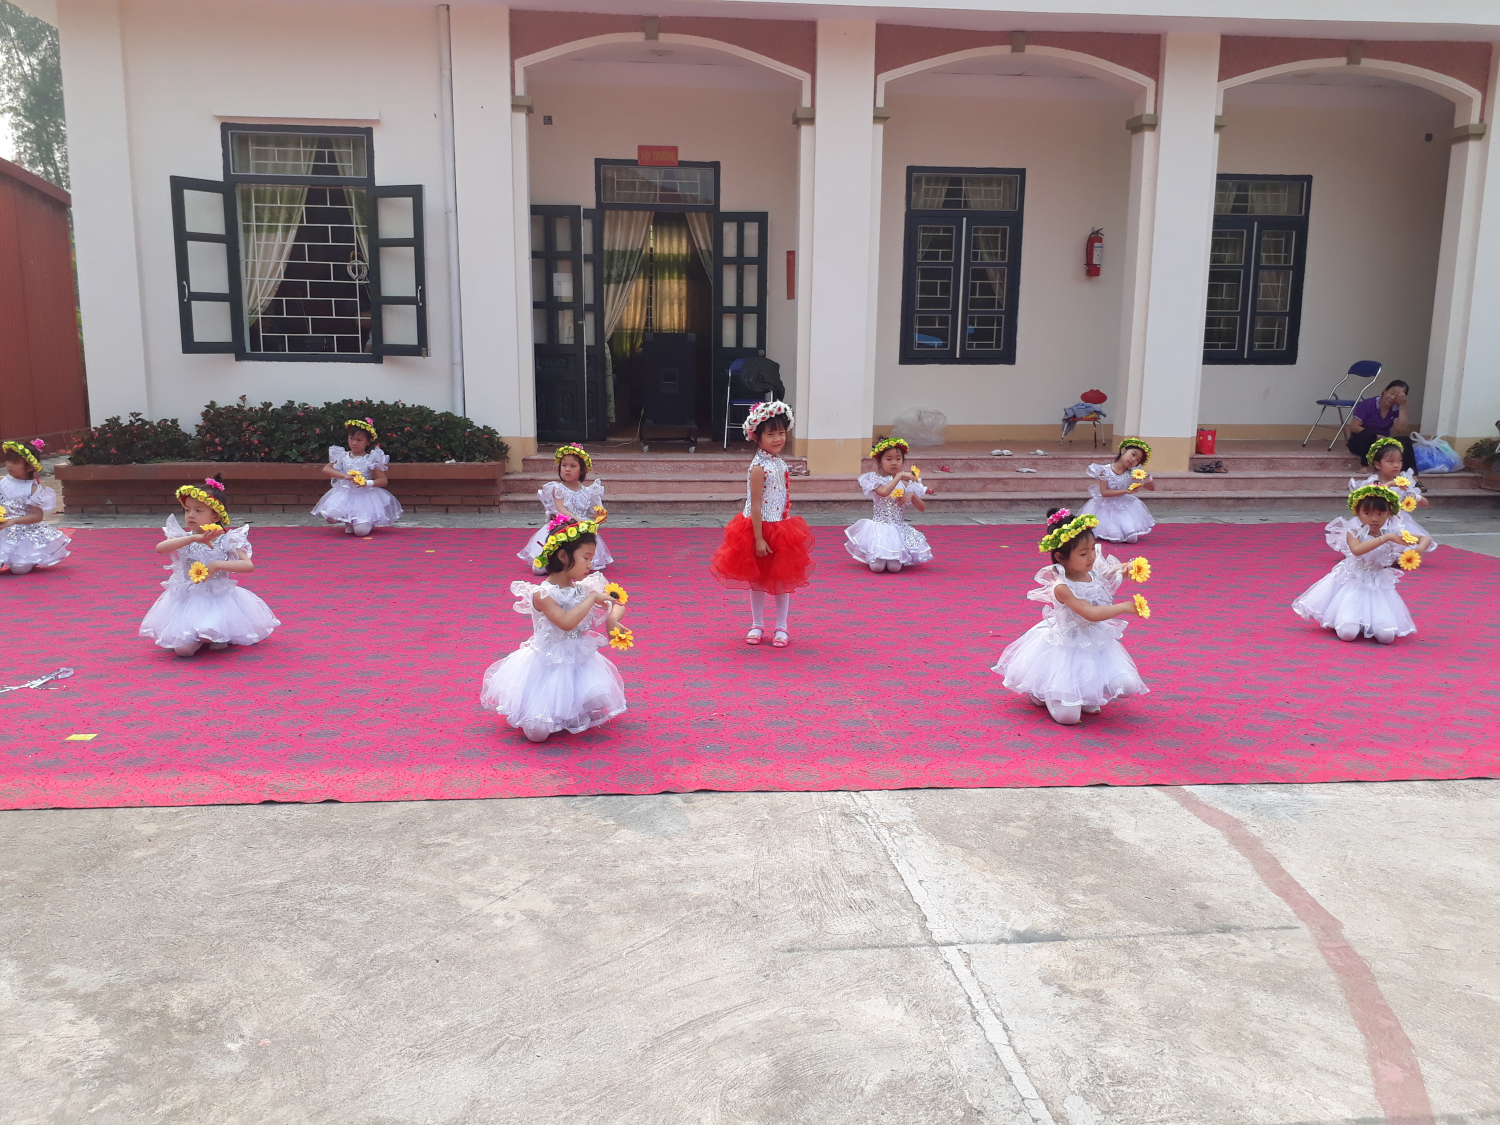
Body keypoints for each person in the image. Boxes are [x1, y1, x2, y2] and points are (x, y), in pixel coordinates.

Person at [993, 508, 1150, 725]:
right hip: (1065, 644)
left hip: (1094, 639)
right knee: (1068, 718)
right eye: (1083, 553)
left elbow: (1113, 569)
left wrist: (1130, 567)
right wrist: (1124, 607)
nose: (1091, 556)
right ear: (1061, 557)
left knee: (1127, 686)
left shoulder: (1093, 567)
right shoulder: (1062, 587)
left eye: (1092, 549)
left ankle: (1082, 695)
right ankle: (1043, 693)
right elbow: (1090, 613)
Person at [481, 514, 628, 742]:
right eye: (586, 558)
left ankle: (573, 708)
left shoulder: (584, 587)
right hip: (547, 663)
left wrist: (612, 619)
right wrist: (591, 599)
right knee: (537, 734)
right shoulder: (542, 594)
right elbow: (566, 622)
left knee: (582, 701)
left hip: (579, 660)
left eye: (591, 558)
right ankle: (544, 710)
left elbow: (617, 602)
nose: (590, 565)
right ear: (563, 556)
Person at [709, 401, 815, 648]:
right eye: (770, 434)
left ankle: (782, 626)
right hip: (758, 529)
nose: (778, 439)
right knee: (757, 581)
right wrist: (758, 538)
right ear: (757, 437)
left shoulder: (779, 463)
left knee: (781, 580)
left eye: (781, 432)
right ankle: (757, 624)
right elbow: (755, 505)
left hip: (781, 529)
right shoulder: (758, 468)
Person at [139, 479, 280, 657]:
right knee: (183, 651)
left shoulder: (226, 539)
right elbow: (160, 548)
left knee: (205, 634)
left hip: (218, 598)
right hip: (188, 599)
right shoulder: (185, 538)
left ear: (215, 517)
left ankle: (217, 632)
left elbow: (248, 565)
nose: (191, 515)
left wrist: (217, 564)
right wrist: (193, 538)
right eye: (187, 510)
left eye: (198, 510)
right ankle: (207, 635)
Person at [1291, 484, 1429, 644]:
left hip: (1377, 584)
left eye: (1381, 513)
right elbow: (1357, 550)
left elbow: (1426, 539)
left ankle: (1367, 621)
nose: (1374, 518)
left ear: (1389, 513)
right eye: (1368, 513)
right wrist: (1387, 538)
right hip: (1353, 581)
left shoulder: (1393, 533)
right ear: (1357, 512)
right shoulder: (1354, 532)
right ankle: (1343, 617)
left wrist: (1417, 549)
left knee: (1386, 637)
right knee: (1348, 634)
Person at [518, 444, 612, 575]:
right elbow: (561, 509)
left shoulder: (588, 491)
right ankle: (552, 560)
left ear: (582, 470)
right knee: (539, 569)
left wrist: (600, 517)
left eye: (573, 466)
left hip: (582, 529)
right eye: (564, 465)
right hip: (564, 527)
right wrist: (579, 521)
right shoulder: (558, 488)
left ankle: (572, 563)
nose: (567, 469)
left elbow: (597, 510)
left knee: (582, 559)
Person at [844, 437, 934, 573]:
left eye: (898, 459)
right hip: (879, 529)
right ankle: (874, 555)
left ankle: (890, 557)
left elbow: (922, 508)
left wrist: (912, 495)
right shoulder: (875, 480)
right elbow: (884, 492)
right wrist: (899, 476)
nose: (894, 463)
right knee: (877, 568)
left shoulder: (907, 483)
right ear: (879, 462)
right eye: (889, 459)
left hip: (897, 530)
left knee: (894, 568)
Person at [311, 418, 403, 536]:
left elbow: (383, 480)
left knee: (361, 532)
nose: (354, 443)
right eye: (351, 439)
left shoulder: (371, 458)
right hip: (345, 493)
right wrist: (344, 475)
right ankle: (350, 521)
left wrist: (367, 483)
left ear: (368, 442)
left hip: (365, 495)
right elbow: (326, 469)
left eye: (359, 440)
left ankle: (366, 522)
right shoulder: (342, 456)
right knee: (330, 517)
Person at [1348, 435, 1435, 553]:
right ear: (1378, 464)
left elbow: (1425, 504)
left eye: (1399, 461)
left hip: (1398, 522)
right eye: (1390, 461)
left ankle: (1408, 552)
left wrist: (1416, 497)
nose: (1396, 465)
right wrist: (1389, 484)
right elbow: (1377, 495)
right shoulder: (1373, 482)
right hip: (1377, 520)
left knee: (1411, 542)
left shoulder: (1403, 482)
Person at [0, 439, 70, 574]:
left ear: (29, 467)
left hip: (22, 533)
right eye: (8, 460)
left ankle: (28, 559)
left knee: (19, 570)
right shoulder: (3, 482)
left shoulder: (32, 488)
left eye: (15, 462)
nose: (9, 465)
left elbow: (37, 515)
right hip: (3, 528)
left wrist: (14, 521)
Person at [1078, 438, 1156, 543]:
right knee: (1116, 538)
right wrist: (1125, 491)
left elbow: (1151, 488)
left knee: (1132, 539)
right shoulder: (1105, 471)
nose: (1134, 460)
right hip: (1105, 506)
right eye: (1133, 454)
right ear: (1123, 450)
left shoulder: (1133, 473)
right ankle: (1109, 529)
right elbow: (1104, 492)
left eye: (1138, 460)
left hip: (1124, 506)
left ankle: (1123, 528)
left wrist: (1148, 477)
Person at [1346, 380, 1415, 470]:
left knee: (1405, 441)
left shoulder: (1396, 409)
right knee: (1369, 434)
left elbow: (1400, 429)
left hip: (1381, 444)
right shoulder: (1368, 404)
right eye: (1392, 393)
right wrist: (1377, 436)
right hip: (1360, 443)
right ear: (1384, 391)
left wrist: (1402, 407)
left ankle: (1411, 474)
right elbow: (1353, 427)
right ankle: (1364, 466)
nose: (1392, 397)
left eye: (1397, 396)